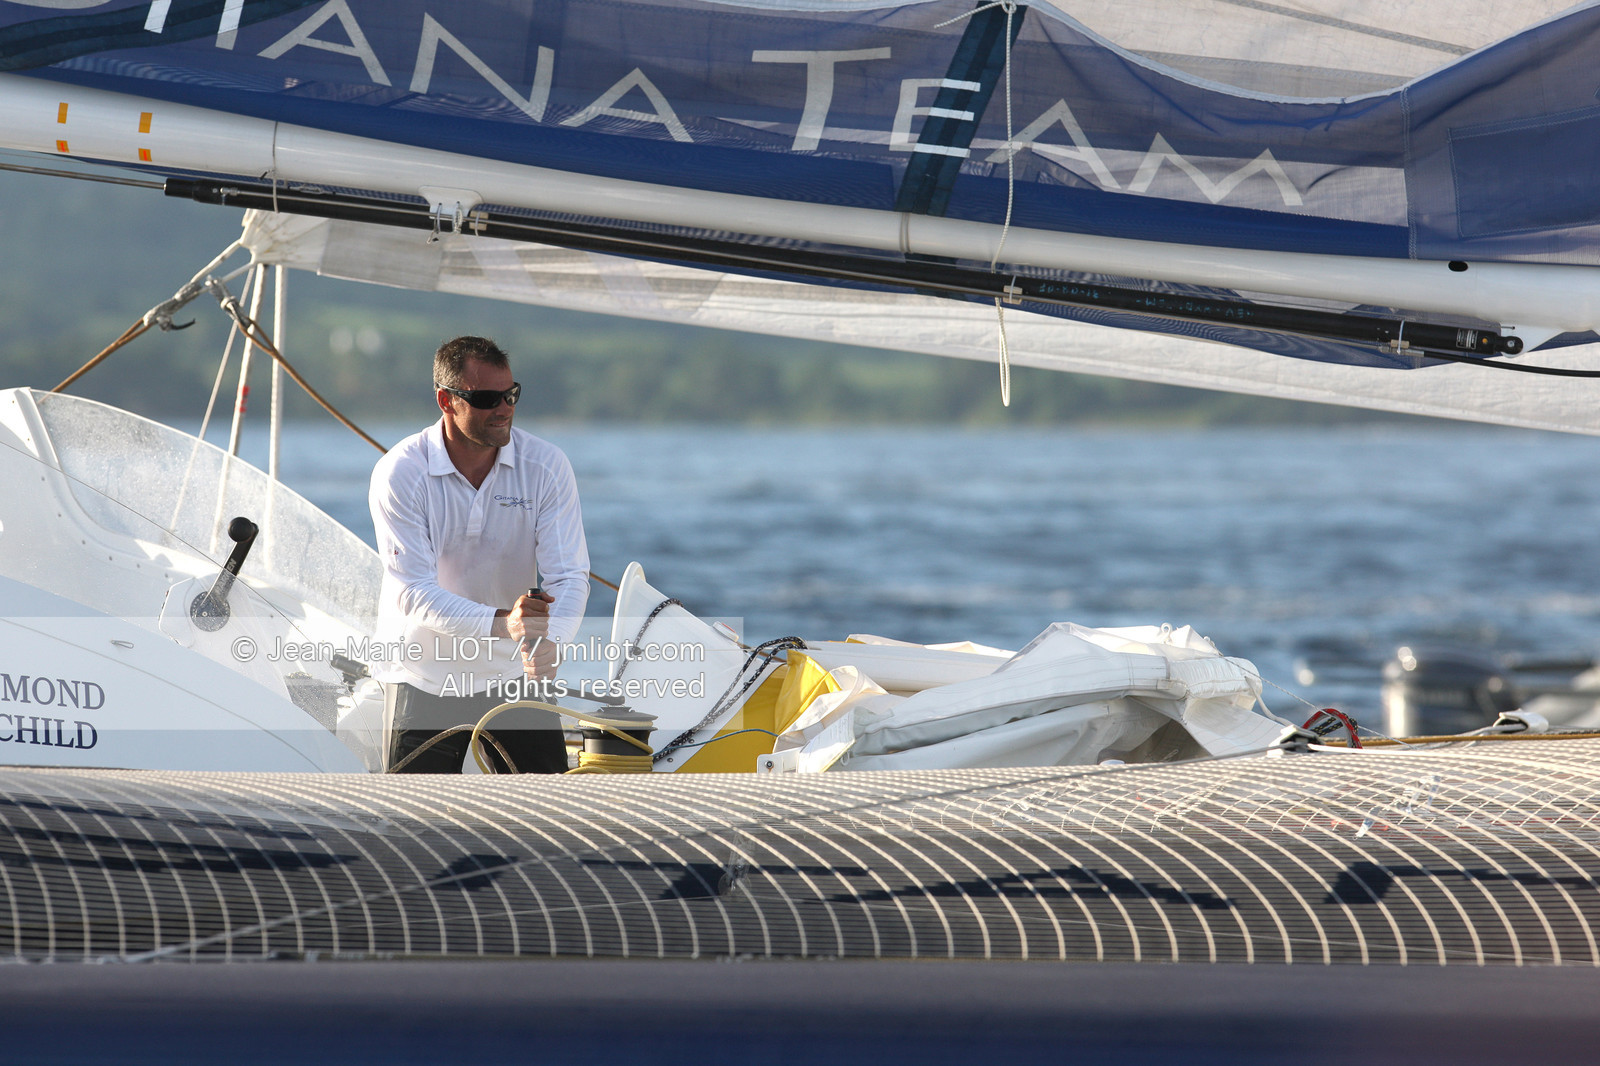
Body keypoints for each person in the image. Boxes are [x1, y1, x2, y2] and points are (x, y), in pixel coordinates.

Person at [368, 336, 590, 773]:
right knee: (414, 826)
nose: (504, 408)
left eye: (511, 395)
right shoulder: (401, 472)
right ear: (446, 401)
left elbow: (570, 576)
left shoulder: (546, 466)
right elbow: (412, 592)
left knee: (547, 823)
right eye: (488, 398)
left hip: (516, 676)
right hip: (423, 673)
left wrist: (552, 639)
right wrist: (505, 625)